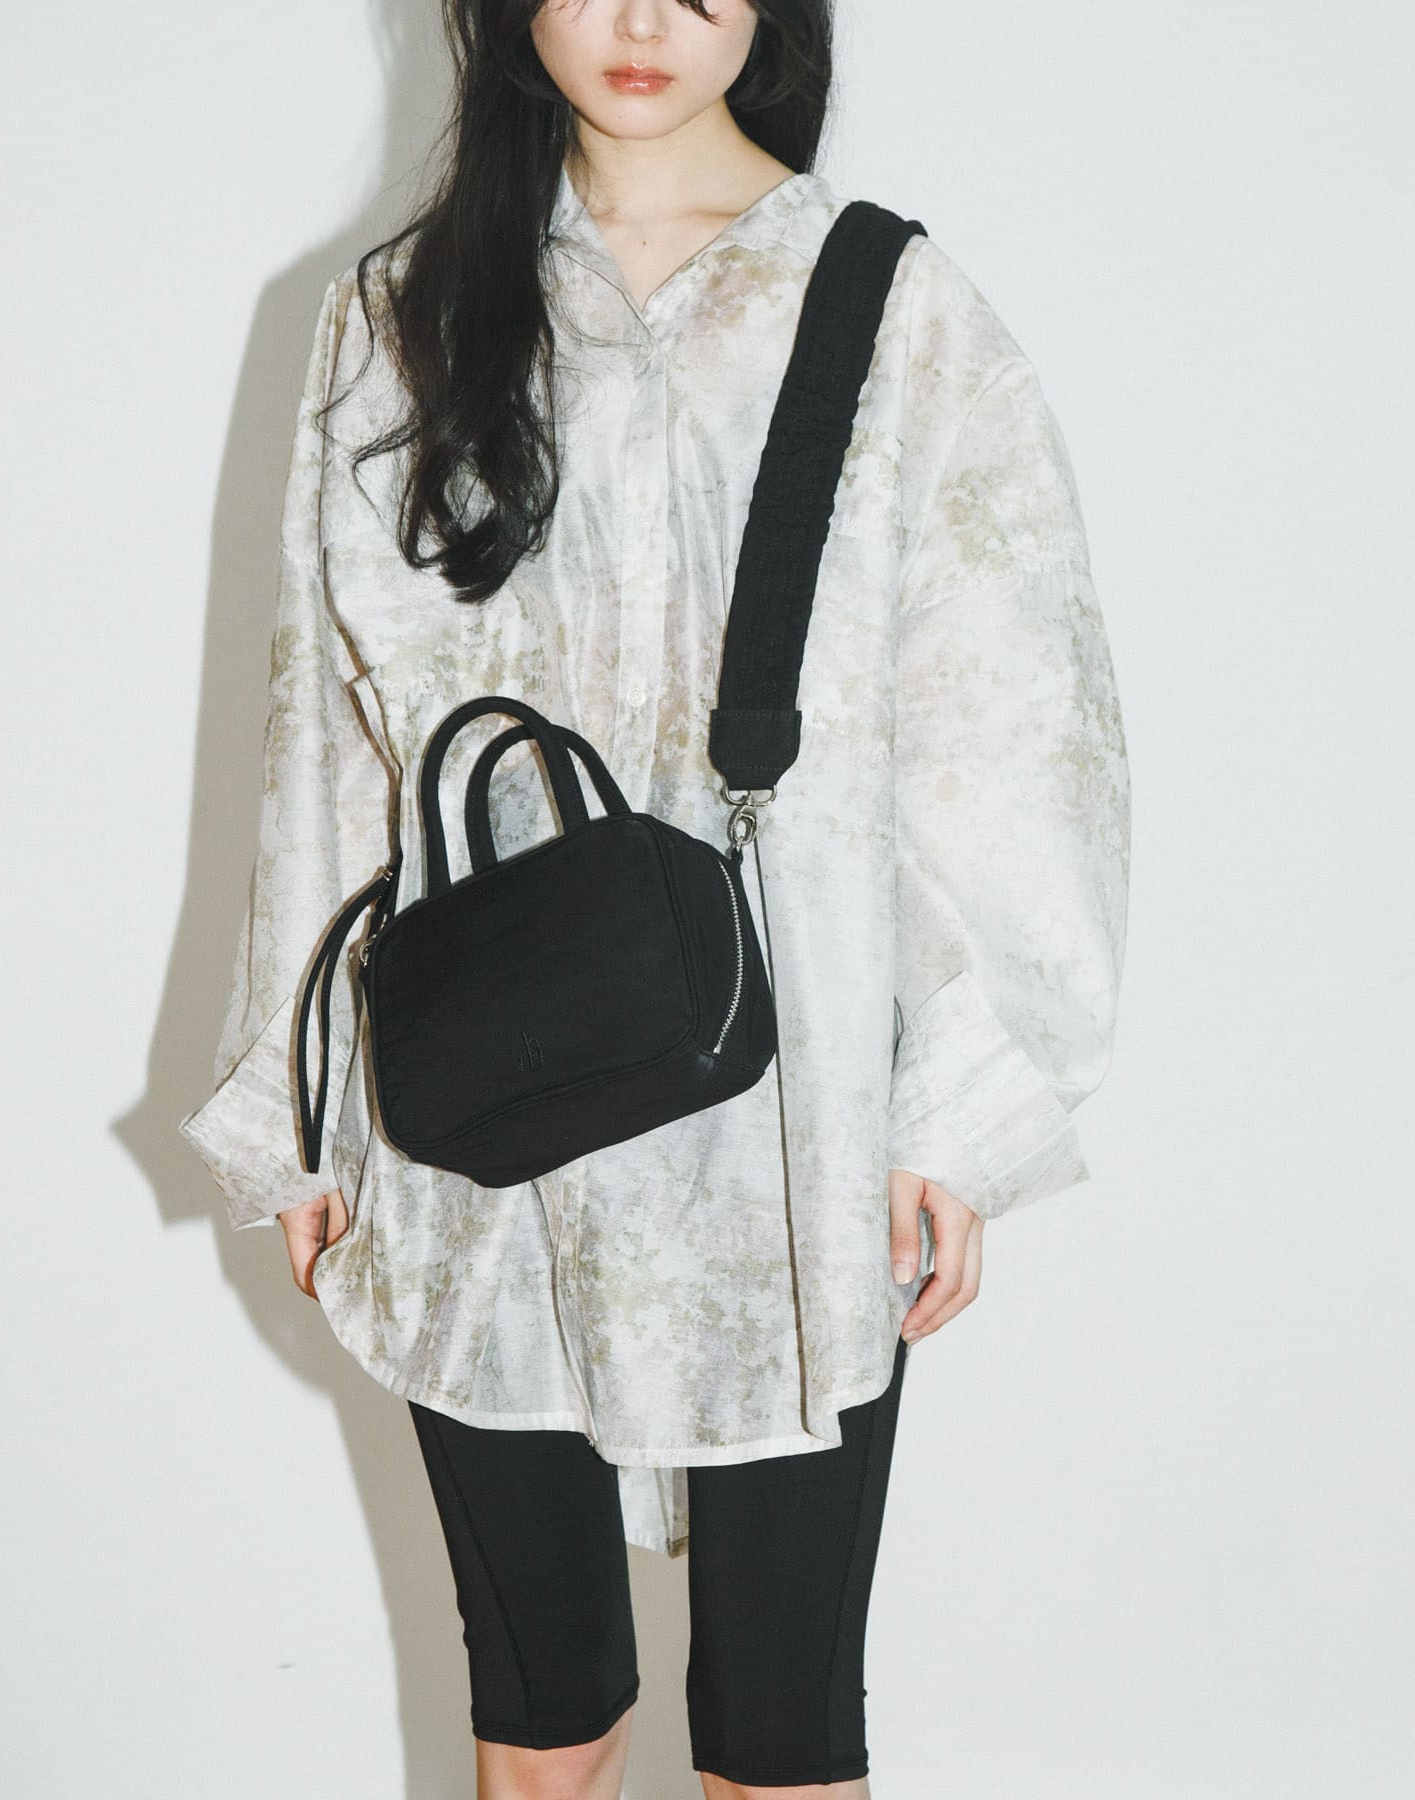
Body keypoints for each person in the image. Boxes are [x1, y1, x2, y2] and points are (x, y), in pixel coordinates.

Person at [179, 1, 1131, 1794]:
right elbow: (325, 730)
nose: (638, 19)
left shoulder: (889, 308)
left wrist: (963, 1100)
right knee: (542, 1718)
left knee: (781, 1740)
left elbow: (1006, 713)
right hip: (481, 1086)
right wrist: (306, 1112)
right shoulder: (404, 315)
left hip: (797, 1089)